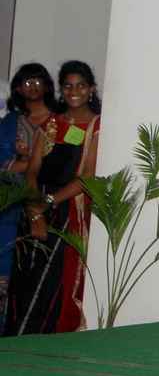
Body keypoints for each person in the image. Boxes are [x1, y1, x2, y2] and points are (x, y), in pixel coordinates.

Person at [5, 60, 100, 335]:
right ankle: (15, 344)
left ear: (91, 89)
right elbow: (33, 171)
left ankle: (46, 345)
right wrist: (35, 210)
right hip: (36, 205)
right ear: (60, 89)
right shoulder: (51, 124)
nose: (74, 92)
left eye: (81, 86)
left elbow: (87, 178)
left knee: (54, 284)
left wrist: (48, 204)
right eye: (68, 86)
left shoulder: (96, 126)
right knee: (25, 282)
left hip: (68, 211)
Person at [0, 64, 60, 333]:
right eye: (26, 82)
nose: (32, 86)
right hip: (10, 206)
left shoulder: (59, 121)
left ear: (47, 85)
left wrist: (29, 161)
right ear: (17, 88)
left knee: (41, 274)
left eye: (37, 81)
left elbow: (65, 163)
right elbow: (3, 166)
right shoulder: (9, 123)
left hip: (50, 204)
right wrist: (31, 161)